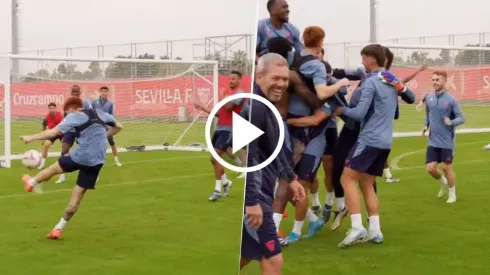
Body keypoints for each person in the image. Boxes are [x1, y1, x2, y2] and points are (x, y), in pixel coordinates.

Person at [334, 44, 415, 248]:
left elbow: (359, 114)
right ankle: (375, 231)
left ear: (372, 58)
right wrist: (400, 87)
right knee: (367, 183)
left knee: (346, 178)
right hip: (386, 141)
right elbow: (411, 98)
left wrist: (340, 110)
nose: (362, 62)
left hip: (369, 139)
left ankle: (356, 226)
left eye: (363, 58)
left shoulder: (371, 82)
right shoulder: (390, 80)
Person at [20, 96, 123, 239]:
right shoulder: (101, 113)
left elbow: (53, 132)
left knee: (54, 169)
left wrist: (30, 138)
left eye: (66, 112)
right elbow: (119, 126)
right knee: (75, 200)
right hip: (97, 161)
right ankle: (58, 229)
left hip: (80, 157)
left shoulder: (75, 115)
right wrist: (103, 137)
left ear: (71, 108)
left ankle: (31, 183)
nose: (66, 115)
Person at [240, 52, 305, 275]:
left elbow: (275, 150)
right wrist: (251, 202)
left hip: (264, 194)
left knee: (245, 255)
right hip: (257, 198)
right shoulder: (254, 109)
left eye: (285, 79)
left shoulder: (267, 107)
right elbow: (248, 158)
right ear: (259, 77)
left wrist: (291, 178)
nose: (281, 84)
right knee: (273, 259)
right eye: (275, 78)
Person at [284, 26, 349, 243]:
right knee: (284, 183)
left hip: (313, 138)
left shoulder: (297, 60)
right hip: (294, 133)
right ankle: (313, 218)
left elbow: (315, 119)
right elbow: (319, 91)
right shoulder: (309, 66)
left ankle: (296, 230)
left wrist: (286, 119)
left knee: (301, 183)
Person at [194, 70, 245, 201]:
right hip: (219, 129)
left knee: (216, 157)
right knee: (213, 159)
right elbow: (221, 113)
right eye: (229, 79)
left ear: (239, 80)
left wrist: (223, 96)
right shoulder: (229, 95)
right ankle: (226, 182)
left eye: (233, 79)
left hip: (230, 130)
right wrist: (204, 109)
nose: (230, 81)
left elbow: (228, 107)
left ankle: (217, 190)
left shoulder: (240, 94)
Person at [422, 71, 465, 203]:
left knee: (447, 168)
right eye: (433, 80)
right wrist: (425, 126)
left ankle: (452, 194)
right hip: (433, 140)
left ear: (445, 81)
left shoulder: (451, 100)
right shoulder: (429, 98)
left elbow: (462, 118)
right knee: (430, 168)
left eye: (437, 80)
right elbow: (427, 114)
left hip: (447, 141)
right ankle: (443, 181)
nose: (434, 82)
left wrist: (451, 122)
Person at [56, 85, 93, 184]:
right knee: (64, 151)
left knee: (86, 153)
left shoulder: (85, 103)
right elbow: (65, 118)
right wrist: (62, 130)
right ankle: (62, 176)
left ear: (80, 93)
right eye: (73, 93)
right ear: (71, 93)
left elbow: (91, 114)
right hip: (71, 130)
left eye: (77, 93)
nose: (75, 94)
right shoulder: (68, 104)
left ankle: (91, 174)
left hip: (83, 130)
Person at [92, 86, 122, 167]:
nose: (104, 93)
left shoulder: (110, 103)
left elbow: (111, 115)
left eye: (105, 91)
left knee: (111, 142)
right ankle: (95, 161)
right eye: (102, 91)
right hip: (97, 127)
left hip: (107, 127)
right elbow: (91, 113)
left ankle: (116, 160)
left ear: (107, 93)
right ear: (100, 92)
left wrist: (110, 125)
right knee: (96, 143)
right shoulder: (94, 102)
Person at [38, 102, 63, 169]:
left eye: (53, 108)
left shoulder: (61, 115)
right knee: (46, 144)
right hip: (53, 133)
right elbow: (43, 128)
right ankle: (42, 164)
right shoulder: (46, 118)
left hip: (63, 133)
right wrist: (43, 139)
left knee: (64, 146)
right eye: (50, 108)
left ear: (55, 109)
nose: (51, 109)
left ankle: (64, 163)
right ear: (48, 109)